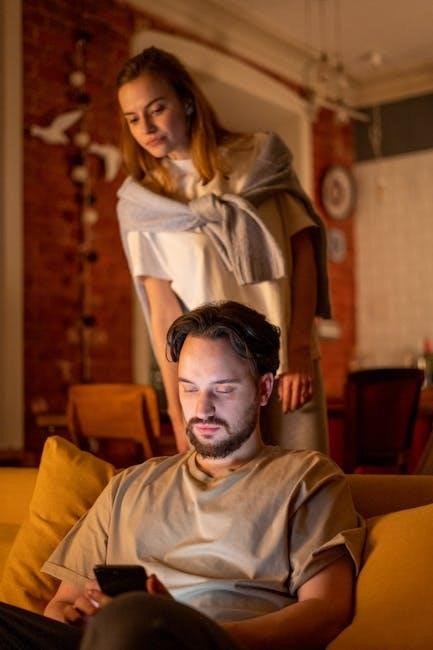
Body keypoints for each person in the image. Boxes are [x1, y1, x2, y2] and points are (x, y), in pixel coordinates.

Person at [0, 301, 365, 650]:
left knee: (137, 621)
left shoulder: (306, 479)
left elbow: (326, 611)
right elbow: (61, 604)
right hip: (109, 639)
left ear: (264, 389)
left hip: (213, 641)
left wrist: (191, 635)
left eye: (223, 389)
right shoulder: (128, 486)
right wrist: (76, 618)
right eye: (189, 388)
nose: (202, 408)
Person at [115, 46, 331, 454]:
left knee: (302, 478)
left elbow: (302, 252)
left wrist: (299, 350)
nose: (146, 126)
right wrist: (177, 409)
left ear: (187, 101)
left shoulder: (259, 159)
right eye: (133, 118)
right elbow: (164, 314)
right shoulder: (144, 203)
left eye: (157, 109)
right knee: (228, 488)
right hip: (213, 388)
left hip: (287, 367)